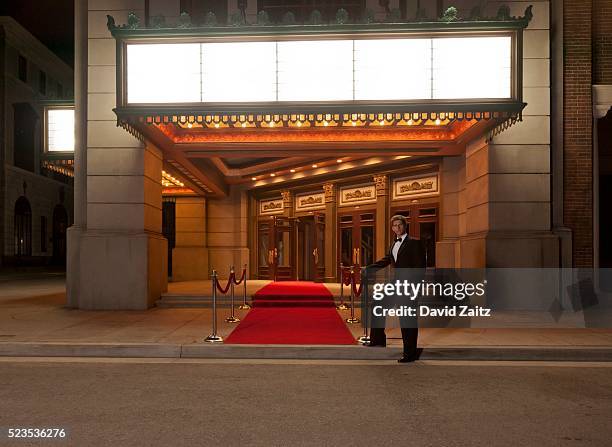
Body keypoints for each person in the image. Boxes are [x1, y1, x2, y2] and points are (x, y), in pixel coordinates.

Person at [364, 214, 426, 363]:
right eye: (395, 226)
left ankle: (410, 354)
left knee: (407, 318)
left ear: (405, 226)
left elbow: (420, 268)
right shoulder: (393, 244)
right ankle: (378, 340)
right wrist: (369, 268)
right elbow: (387, 259)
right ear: (392, 228)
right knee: (377, 305)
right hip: (396, 283)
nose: (397, 228)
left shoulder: (415, 243)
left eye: (400, 225)